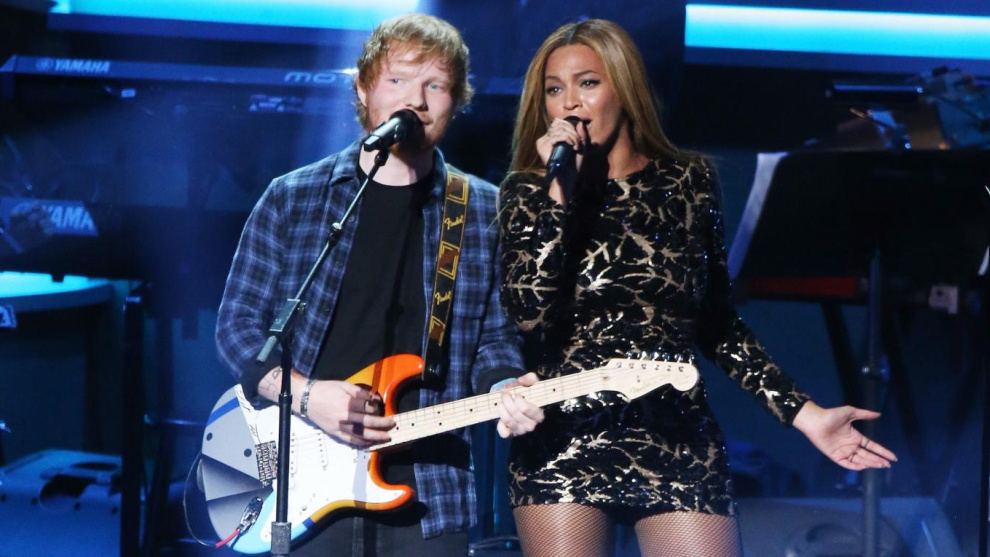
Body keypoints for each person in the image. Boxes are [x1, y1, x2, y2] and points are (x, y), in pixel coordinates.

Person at [496, 19, 898, 557]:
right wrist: (558, 193)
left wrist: (807, 415)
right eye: (553, 89)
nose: (569, 102)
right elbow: (527, 310)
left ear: (624, 87)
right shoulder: (528, 190)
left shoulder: (688, 182)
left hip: (675, 431)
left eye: (587, 83)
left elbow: (717, 323)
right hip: (565, 434)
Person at [216, 13, 542, 557]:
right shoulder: (293, 197)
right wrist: (311, 396)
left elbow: (495, 339)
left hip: (429, 487)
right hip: (300, 482)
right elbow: (237, 330)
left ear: (455, 101)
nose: (415, 99)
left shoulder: (484, 210)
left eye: (435, 85)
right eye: (397, 80)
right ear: (365, 89)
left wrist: (505, 386)